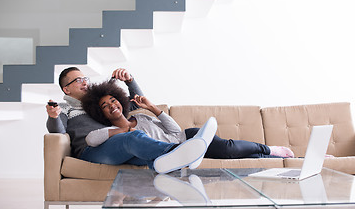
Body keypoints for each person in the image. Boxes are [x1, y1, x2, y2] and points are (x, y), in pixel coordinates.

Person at [45, 66, 217, 174]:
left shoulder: (99, 103)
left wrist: (129, 81)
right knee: (132, 137)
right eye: (78, 80)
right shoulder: (65, 108)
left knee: (149, 157)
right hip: (91, 150)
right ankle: (181, 151)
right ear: (66, 89)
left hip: (114, 146)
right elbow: (58, 132)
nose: (85, 82)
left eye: (85, 79)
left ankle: (164, 188)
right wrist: (53, 117)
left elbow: (136, 102)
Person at [81, 81, 294, 163]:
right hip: (183, 149)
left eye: (113, 100)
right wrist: (123, 132)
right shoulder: (109, 132)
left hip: (187, 138)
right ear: (102, 114)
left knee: (229, 149)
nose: (111, 105)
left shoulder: (142, 118)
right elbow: (91, 139)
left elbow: (175, 131)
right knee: (234, 159)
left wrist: (152, 108)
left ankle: (270, 149)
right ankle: (273, 158)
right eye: (105, 106)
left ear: (120, 100)